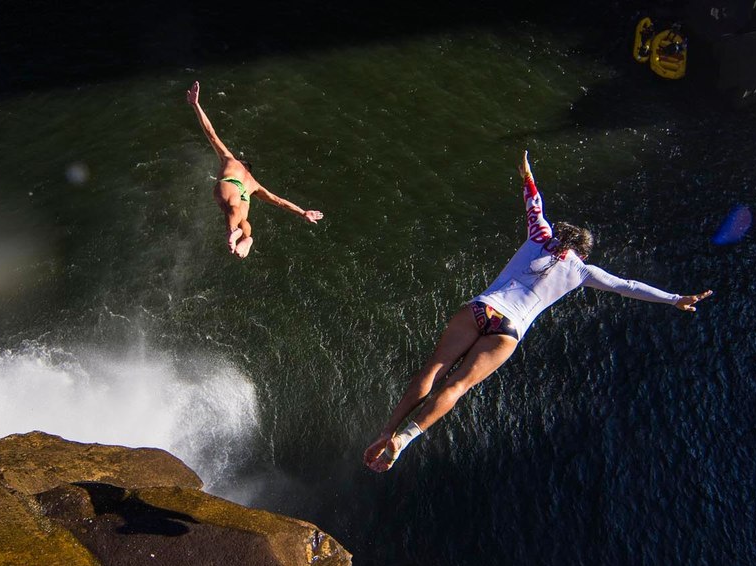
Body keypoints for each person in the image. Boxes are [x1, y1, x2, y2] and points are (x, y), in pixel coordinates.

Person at [363, 150, 713, 472]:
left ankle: (386, 431)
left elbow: (534, 202)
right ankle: (404, 440)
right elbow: (629, 286)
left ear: (562, 235)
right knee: (457, 386)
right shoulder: (583, 271)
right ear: (582, 252)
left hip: (483, 308)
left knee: (434, 370)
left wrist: (527, 174)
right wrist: (675, 299)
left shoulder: (541, 235)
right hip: (508, 331)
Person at [186, 81, 323, 258]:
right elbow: (279, 201)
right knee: (244, 222)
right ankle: (246, 238)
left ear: (241, 163)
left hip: (230, 184)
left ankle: (232, 231)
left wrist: (196, 105)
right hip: (245, 194)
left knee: (231, 208)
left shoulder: (230, 160)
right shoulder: (254, 184)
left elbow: (211, 133)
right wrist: (302, 212)